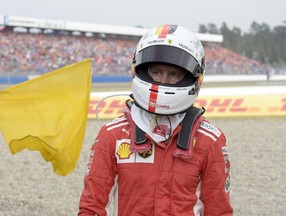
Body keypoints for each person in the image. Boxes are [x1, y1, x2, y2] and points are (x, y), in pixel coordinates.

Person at [78, 24, 233, 216]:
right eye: (156, 72)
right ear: (140, 70)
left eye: (174, 74)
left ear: (194, 79)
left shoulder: (209, 140)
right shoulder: (113, 135)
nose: (163, 81)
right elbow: (92, 207)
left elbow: (219, 211)